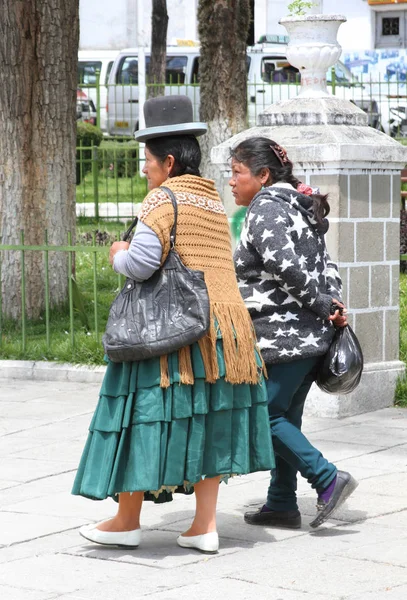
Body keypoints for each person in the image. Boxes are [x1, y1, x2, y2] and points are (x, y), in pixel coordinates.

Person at [72, 97, 274, 553]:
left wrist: (116, 256)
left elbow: (143, 264)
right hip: (225, 333)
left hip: (173, 331)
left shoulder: (162, 199)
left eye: (147, 160)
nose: (144, 169)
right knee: (208, 421)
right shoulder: (214, 201)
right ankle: (204, 526)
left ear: (167, 161)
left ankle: (126, 521)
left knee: (139, 415)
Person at [230, 136, 358, 530]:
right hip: (309, 338)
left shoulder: (266, 206)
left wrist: (322, 304)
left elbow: (283, 264)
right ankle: (282, 503)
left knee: (264, 415)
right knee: (286, 419)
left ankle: (326, 478)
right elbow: (327, 265)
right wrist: (331, 304)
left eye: (237, 173)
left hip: (282, 337)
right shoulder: (299, 207)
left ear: (263, 175)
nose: (231, 182)